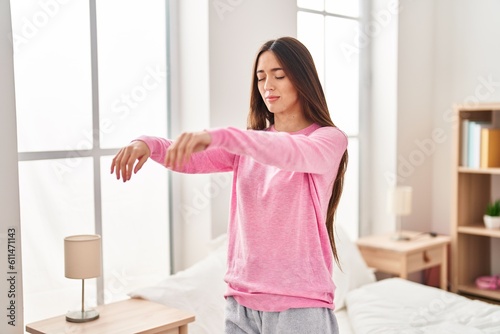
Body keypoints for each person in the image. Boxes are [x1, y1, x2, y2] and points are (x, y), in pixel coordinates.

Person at [111, 36, 348, 334]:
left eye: (279, 75)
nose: (267, 86)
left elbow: (289, 152)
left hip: (300, 306)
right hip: (241, 302)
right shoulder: (249, 145)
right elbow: (190, 157)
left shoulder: (328, 139)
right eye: (261, 77)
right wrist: (147, 144)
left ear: (302, 79)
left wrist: (222, 135)